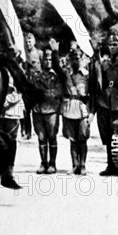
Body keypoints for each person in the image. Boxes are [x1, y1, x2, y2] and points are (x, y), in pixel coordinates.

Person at [89, 33, 118, 176]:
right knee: (107, 134)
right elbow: (97, 73)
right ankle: (111, 164)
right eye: (110, 45)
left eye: (115, 45)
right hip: (106, 102)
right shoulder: (106, 63)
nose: (112, 48)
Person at [50, 38, 92, 175]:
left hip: (82, 108)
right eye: (73, 58)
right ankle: (75, 165)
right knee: (73, 140)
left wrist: (92, 113)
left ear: (83, 59)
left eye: (78, 57)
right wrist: (55, 51)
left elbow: (94, 93)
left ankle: (83, 164)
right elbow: (56, 67)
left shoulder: (87, 76)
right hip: (69, 108)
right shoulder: (66, 75)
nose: (75, 60)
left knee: (83, 138)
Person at [30, 48, 63, 174]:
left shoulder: (57, 76)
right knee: (41, 137)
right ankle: (43, 163)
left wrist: (44, 93)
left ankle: (52, 164)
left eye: (50, 59)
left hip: (52, 109)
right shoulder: (36, 75)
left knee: (52, 136)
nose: (48, 62)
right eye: (46, 60)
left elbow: (59, 92)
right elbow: (32, 90)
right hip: (38, 109)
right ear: (42, 61)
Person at [21, 32, 43, 140]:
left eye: (30, 41)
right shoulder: (23, 54)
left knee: (36, 110)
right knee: (26, 110)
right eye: (26, 41)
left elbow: (43, 69)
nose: (28, 43)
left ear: (34, 42)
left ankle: (39, 131)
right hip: (26, 85)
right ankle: (27, 132)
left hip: (37, 85)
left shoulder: (39, 53)